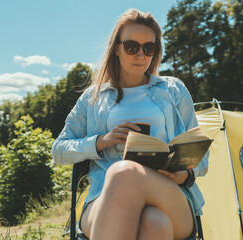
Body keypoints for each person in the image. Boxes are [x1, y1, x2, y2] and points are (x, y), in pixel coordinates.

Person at [52, 9, 209, 240]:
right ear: (117, 48)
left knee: (124, 172)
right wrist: (101, 141)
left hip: (170, 194)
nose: (141, 55)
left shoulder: (174, 90)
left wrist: (184, 175)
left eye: (149, 48)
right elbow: (59, 150)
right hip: (103, 198)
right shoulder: (92, 97)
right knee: (155, 225)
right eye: (132, 47)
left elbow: (202, 159)